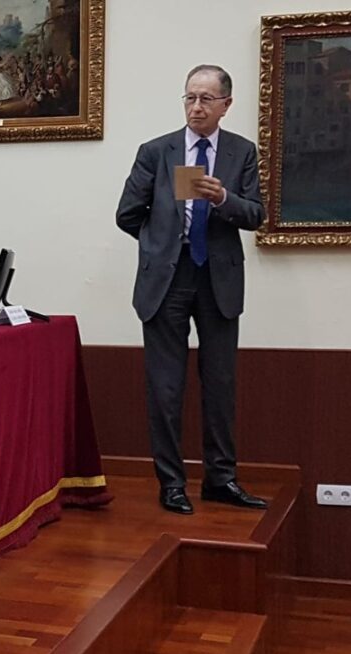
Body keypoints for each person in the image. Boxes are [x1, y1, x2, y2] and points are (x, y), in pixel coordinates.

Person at [115, 65, 267, 515]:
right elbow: (127, 213)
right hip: (168, 277)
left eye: (206, 99)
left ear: (226, 105)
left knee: (220, 384)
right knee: (166, 388)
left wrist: (222, 200)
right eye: (190, 98)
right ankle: (172, 483)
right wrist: (162, 240)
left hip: (217, 276)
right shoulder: (157, 151)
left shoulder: (241, 153)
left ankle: (221, 479)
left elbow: (256, 214)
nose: (196, 107)